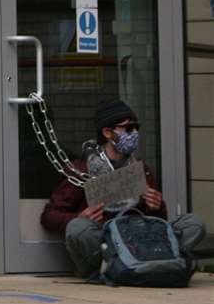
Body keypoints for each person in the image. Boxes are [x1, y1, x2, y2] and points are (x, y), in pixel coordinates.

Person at [40, 98, 206, 280]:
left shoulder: (141, 170)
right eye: (128, 128)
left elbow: (159, 221)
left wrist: (156, 206)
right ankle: (106, 268)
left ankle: (158, 262)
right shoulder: (81, 169)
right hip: (105, 239)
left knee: (194, 223)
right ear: (107, 132)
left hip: (138, 237)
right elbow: (49, 216)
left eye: (136, 128)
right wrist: (81, 216)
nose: (134, 133)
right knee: (78, 228)